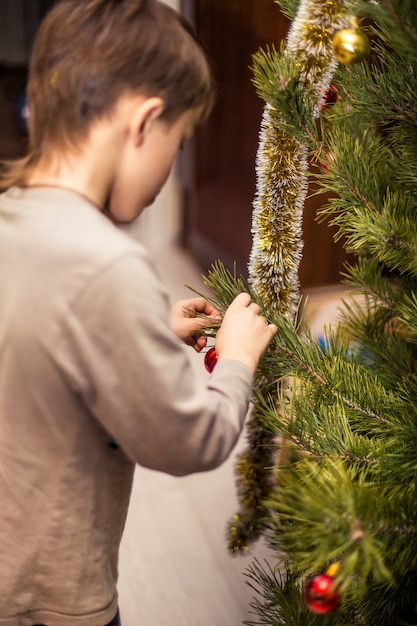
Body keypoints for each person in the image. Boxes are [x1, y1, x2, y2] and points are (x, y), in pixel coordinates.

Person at [0, 1, 277, 625]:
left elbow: (41, 343)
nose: (166, 175)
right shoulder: (109, 265)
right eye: (180, 143)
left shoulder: (10, 216)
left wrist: (143, 329)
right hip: (55, 597)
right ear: (145, 122)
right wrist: (234, 360)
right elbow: (189, 440)